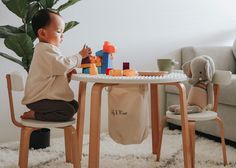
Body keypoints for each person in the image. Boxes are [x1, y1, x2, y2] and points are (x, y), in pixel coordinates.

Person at [21, 9, 91, 121]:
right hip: (38, 99)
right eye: (59, 31)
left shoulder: (49, 50)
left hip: (45, 96)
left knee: (74, 105)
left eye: (63, 32)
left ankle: (38, 113)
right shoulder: (44, 51)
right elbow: (63, 65)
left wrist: (66, 76)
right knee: (68, 111)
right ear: (43, 33)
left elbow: (54, 75)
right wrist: (79, 56)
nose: (62, 36)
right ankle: (35, 115)